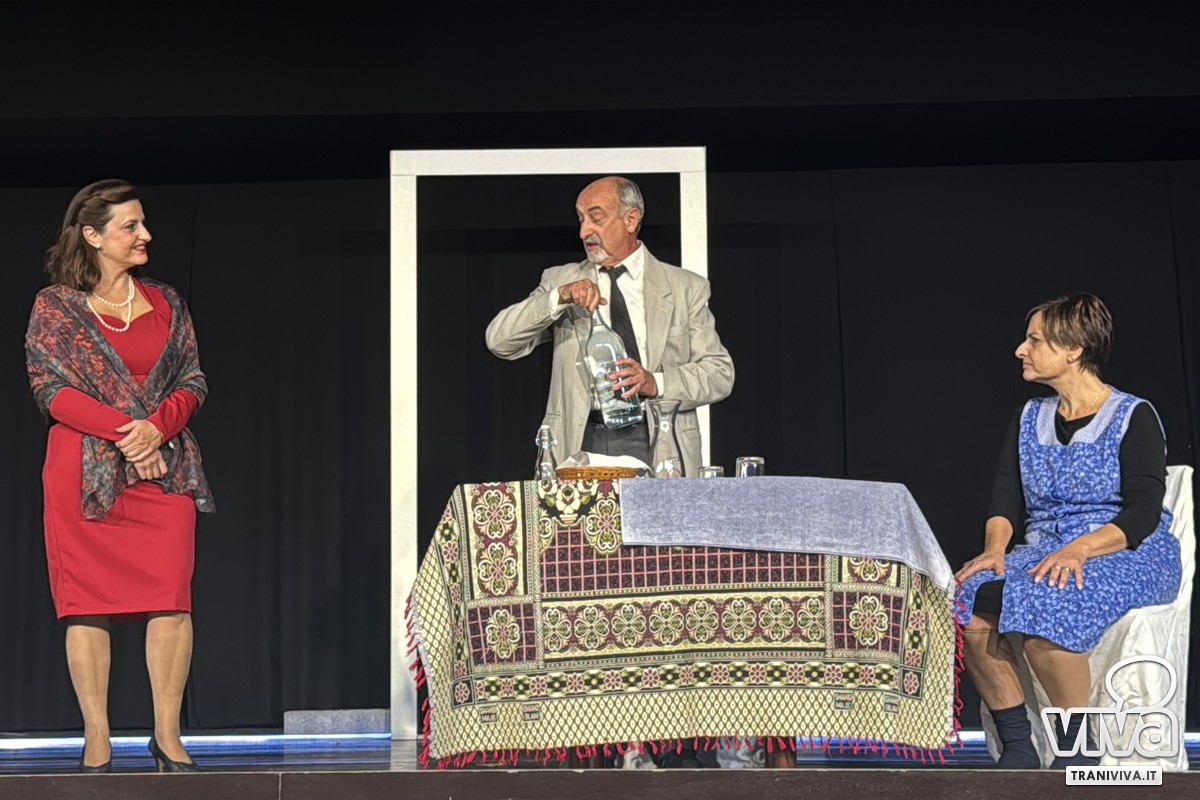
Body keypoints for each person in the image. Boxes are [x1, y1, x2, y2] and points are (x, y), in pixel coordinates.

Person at [24, 180, 215, 773]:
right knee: (87, 605)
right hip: (84, 471)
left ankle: (167, 736)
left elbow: (192, 380)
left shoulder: (165, 301)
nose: (144, 235)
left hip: (163, 470)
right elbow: (50, 390)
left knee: (172, 600)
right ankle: (97, 739)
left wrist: (155, 430)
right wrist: (131, 434)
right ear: (92, 235)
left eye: (143, 223)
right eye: (130, 226)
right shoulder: (56, 306)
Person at [955, 292, 1181, 769]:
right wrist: (995, 549)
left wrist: (1080, 549)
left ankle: (1077, 749)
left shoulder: (1132, 415)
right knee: (967, 598)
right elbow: (1005, 495)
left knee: (1048, 600)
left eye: (1035, 341)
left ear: (1074, 349)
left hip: (1125, 550)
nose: (1021, 349)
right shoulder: (1029, 417)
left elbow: (1142, 513)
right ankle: (1018, 746)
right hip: (1046, 549)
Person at [485, 176, 734, 477]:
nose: (584, 231)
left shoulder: (685, 288)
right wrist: (559, 297)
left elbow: (719, 373)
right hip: (580, 443)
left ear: (631, 220)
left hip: (658, 440)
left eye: (596, 218)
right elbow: (499, 341)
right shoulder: (560, 281)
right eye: (580, 219)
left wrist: (655, 382)